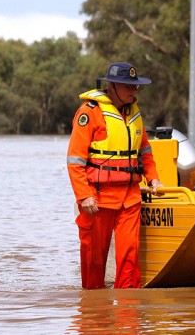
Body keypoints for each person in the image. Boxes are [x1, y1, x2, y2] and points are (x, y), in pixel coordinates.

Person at [66, 61, 164, 290]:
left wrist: (154, 178)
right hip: (97, 199)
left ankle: (128, 317)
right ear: (112, 86)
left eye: (136, 86)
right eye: (129, 86)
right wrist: (84, 195)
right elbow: (74, 160)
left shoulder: (134, 114)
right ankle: (93, 315)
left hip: (129, 197)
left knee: (130, 258)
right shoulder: (89, 113)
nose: (134, 90)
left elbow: (145, 152)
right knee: (94, 260)